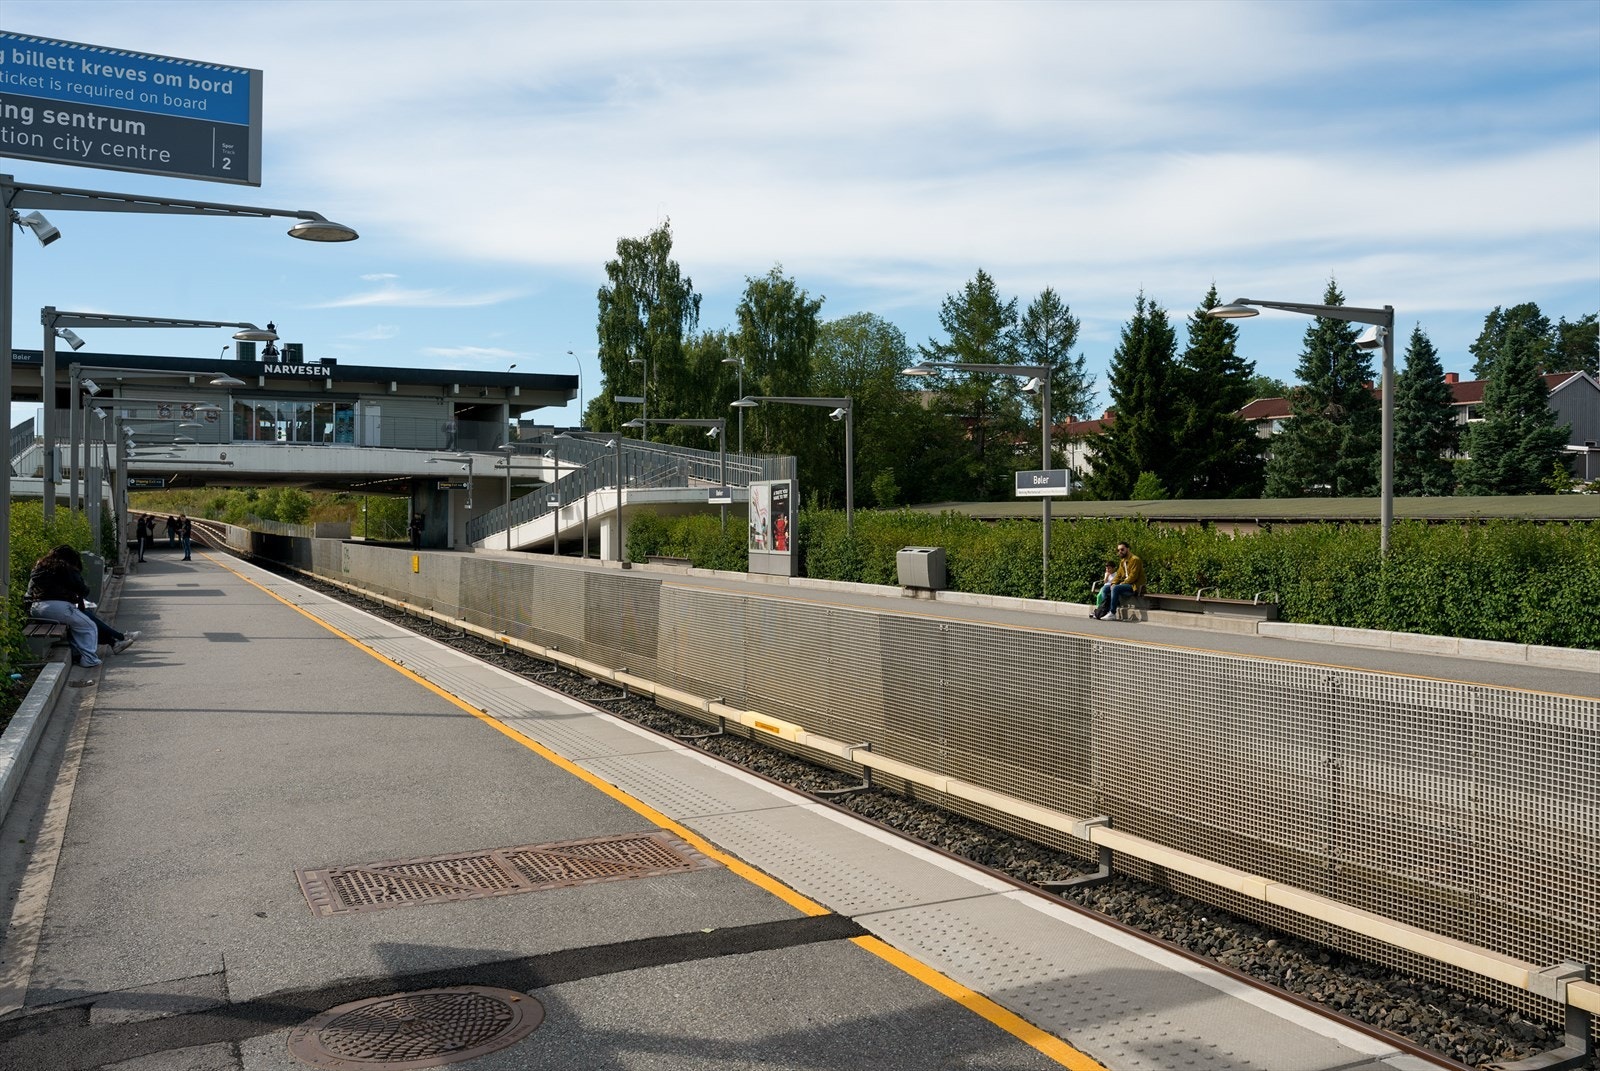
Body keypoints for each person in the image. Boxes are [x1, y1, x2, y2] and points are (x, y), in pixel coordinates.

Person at [34, 546, 140, 653]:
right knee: (88, 621)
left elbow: (48, 591)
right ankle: (119, 638)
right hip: (53, 609)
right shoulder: (62, 568)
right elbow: (81, 588)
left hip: (37, 608)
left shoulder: (41, 568)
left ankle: (115, 642)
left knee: (87, 618)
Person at [1091, 541, 1145, 620]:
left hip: (1134, 586)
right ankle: (1104, 611)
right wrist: (1113, 583)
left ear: (1128, 549)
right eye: (1118, 550)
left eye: (1122, 549)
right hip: (1125, 585)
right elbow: (1118, 575)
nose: (1120, 552)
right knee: (1106, 588)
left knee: (1116, 588)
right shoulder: (1122, 561)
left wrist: (1121, 584)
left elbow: (1133, 577)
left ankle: (1112, 613)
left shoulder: (1135, 560)